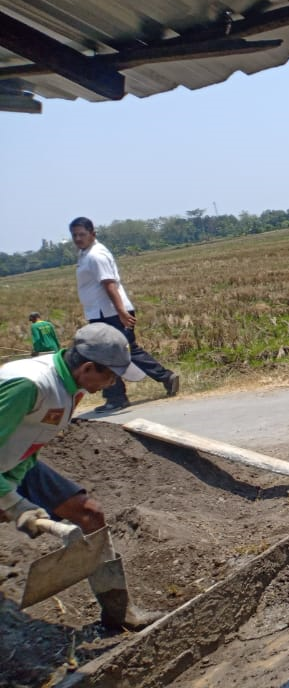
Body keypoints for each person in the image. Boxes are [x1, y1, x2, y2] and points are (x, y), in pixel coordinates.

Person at [1, 323, 164, 629]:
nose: (112, 382)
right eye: (110, 376)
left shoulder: (71, 388)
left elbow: (33, 440)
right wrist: (12, 502)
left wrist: (13, 487)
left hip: (16, 461)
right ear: (88, 367)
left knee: (90, 515)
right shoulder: (29, 385)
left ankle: (121, 614)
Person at [69, 217, 179, 412]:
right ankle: (164, 377)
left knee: (109, 354)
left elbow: (109, 284)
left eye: (82, 234)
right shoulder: (86, 254)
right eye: (75, 235)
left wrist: (120, 311)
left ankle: (117, 397)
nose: (78, 238)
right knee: (125, 350)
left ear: (92, 233)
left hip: (109, 312)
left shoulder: (95, 255)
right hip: (102, 312)